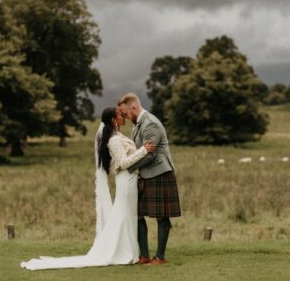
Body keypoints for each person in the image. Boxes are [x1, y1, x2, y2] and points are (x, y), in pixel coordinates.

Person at [20, 107, 156, 270]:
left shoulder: (117, 135)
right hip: (126, 180)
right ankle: (123, 251)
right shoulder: (113, 140)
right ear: (114, 120)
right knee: (125, 214)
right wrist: (143, 150)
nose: (124, 116)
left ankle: (129, 250)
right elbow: (123, 163)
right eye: (121, 115)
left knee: (128, 215)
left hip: (130, 180)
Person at [118, 93, 181, 265]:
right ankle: (144, 256)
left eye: (125, 113)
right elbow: (139, 151)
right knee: (137, 214)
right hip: (145, 174)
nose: (124, 116)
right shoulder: (136, 125)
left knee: (161, 216)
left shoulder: (151, 123)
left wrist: (128, 168)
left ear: (134, 107)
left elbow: (150, 154)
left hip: (160, 173)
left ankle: (160, 257)